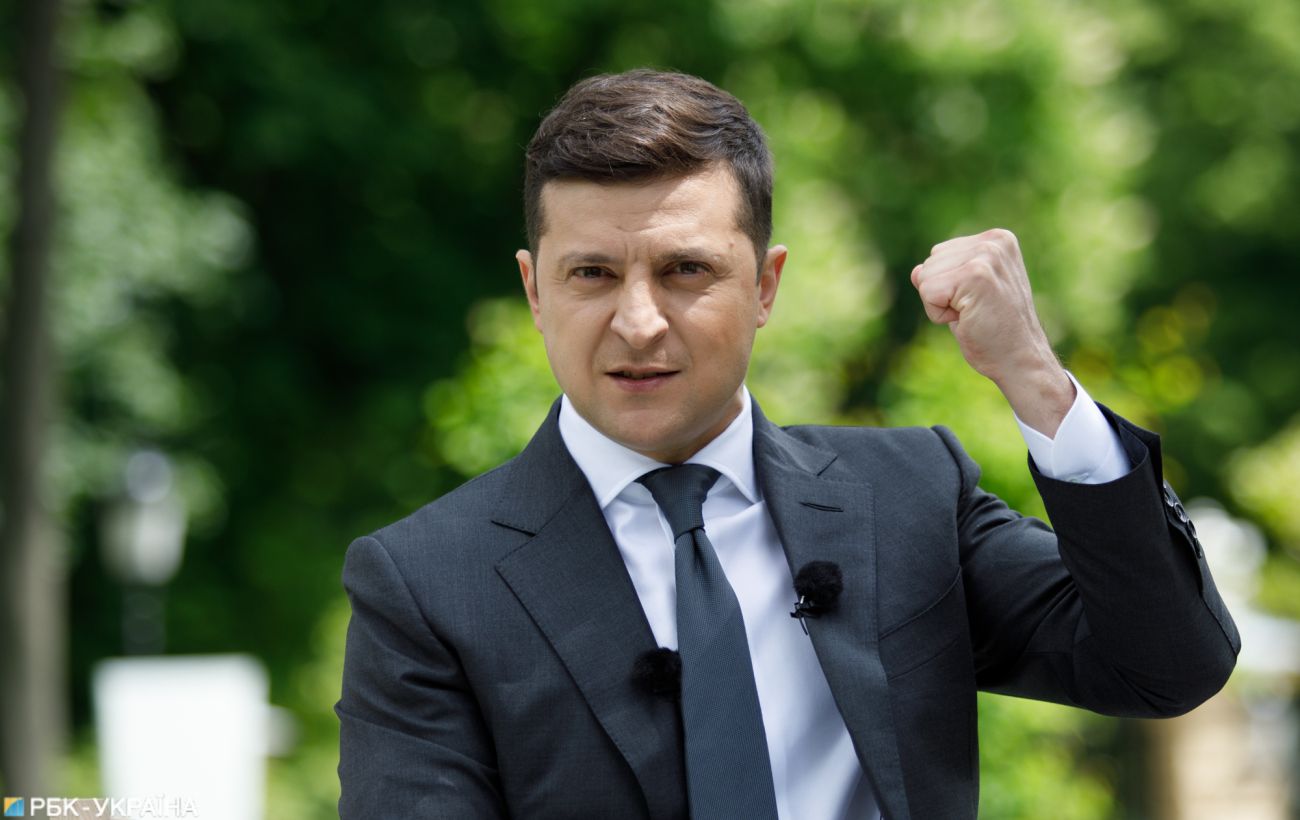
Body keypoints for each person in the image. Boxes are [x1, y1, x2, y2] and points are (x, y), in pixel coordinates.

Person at [336, 69, 1238, 820]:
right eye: (593, 274)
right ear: (536, 292)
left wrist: (1033, 375)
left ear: (766, 286)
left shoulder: (910, 496)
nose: (639, 322)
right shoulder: (425, 585)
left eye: (686, 270)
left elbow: (1168, 665)